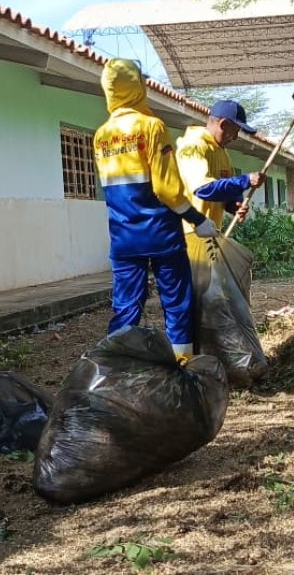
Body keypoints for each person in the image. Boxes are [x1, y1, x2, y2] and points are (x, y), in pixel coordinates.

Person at [93, 58, 218, 364]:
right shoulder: (151, 126)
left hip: (123, 237)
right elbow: (166, 189)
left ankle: (116, 372)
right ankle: (183, 370)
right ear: (137, 86)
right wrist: (197, 218)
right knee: (176, 304)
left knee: (125, 308)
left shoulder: (101, 135)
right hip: (161, 235)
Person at [175, 100, 266, 243]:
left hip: (210, 236)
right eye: (235, 131)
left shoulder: (223, 154)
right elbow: (203, 189)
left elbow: (223, 193)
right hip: (188, 236)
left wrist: (234, 205)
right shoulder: (193, 145)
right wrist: (246, 180)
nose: (235, 137)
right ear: (223, 124)